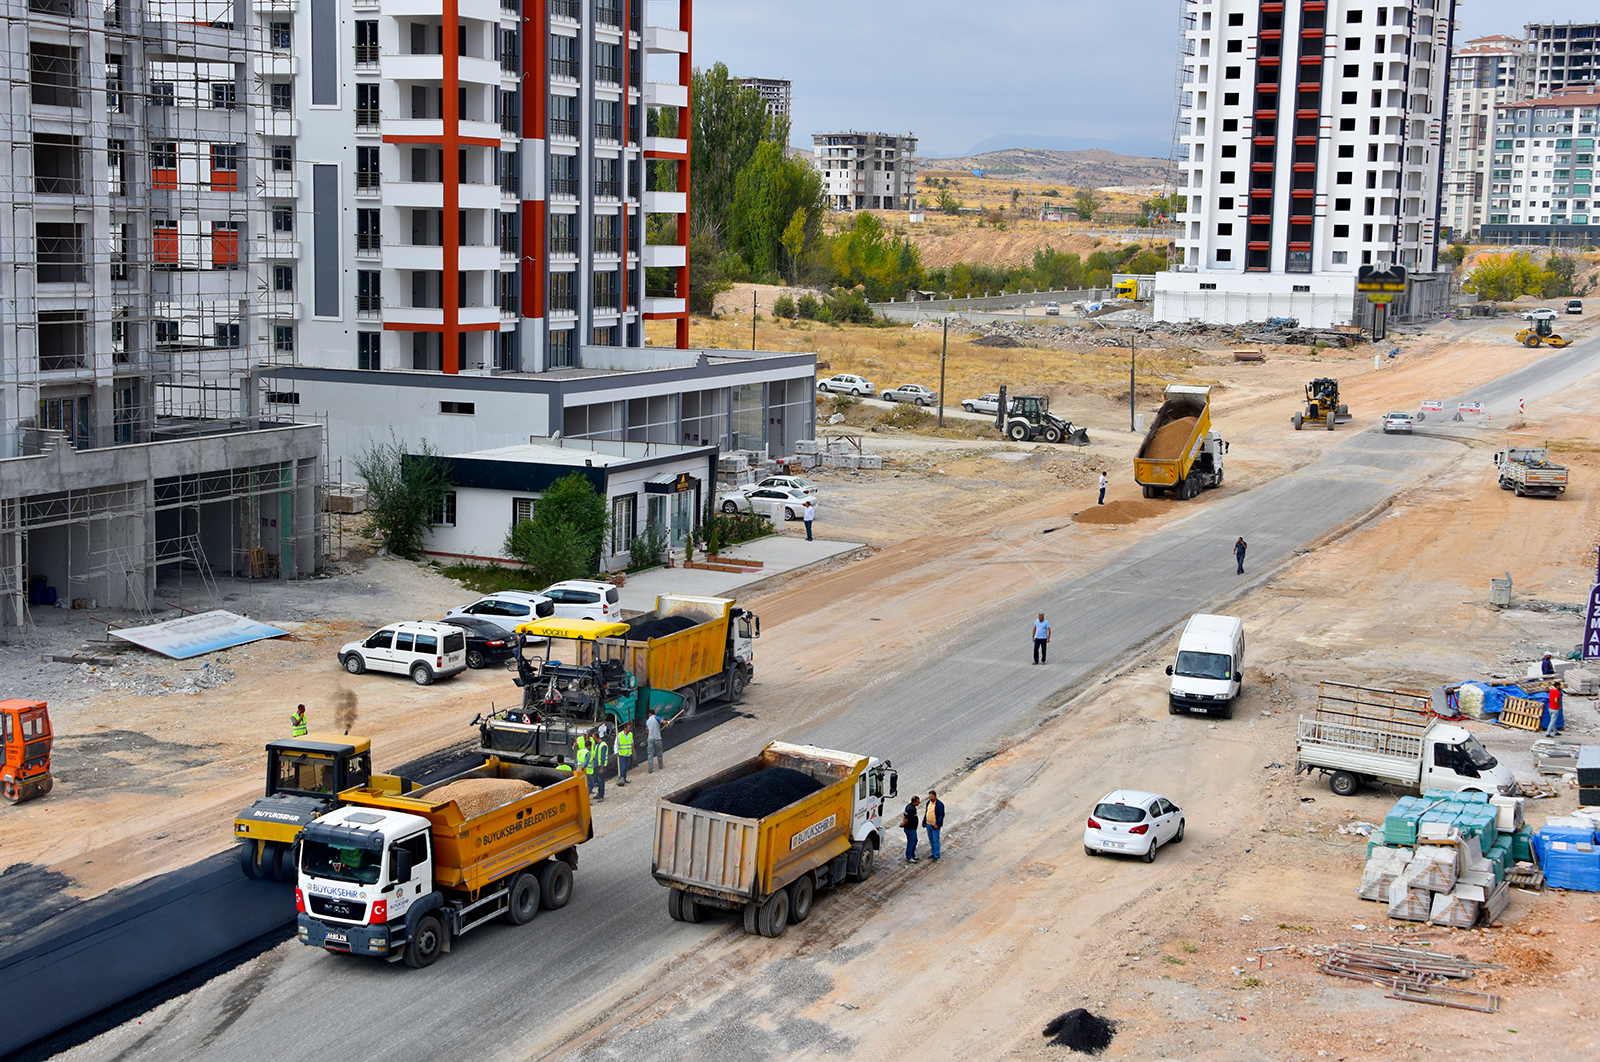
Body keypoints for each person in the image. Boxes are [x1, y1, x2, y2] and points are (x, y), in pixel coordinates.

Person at [924, 790, 945, 862]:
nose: (931, 798)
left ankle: (937, 855)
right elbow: (926, 812)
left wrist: (937, 824)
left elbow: (941, 815)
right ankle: (933, 852)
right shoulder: (928, 803)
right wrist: (924, 821)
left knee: (936, 840)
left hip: (935, 825)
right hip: (928, 824)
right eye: (930, 796)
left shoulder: (939, 804)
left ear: (935, 796)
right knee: (931, 839)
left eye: (932, 796)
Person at [902, 795, 922, 863]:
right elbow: (907, 819)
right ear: (915, 801)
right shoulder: (911, 809)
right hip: (910, 829)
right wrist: (904, 824)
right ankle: (909, 857)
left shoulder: (910, 807)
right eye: (918, 801)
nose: (919, 803)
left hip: (912, 829)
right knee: (911, 842)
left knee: (915, 841)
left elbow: (904, 815)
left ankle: (912, 854)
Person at [590, 728, 609, 801]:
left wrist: (601, 767)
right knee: (598, 780)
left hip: (601, 766)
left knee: (601, 781)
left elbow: (603, 757)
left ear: (595, 738)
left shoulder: (603, 745)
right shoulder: (597, 745)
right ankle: (599, 793)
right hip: (597, 765)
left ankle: (601, 795)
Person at [645, 707, 664, 772]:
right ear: (654, 713)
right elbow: (663, 722)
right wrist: (667, 722)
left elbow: (647, 730)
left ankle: (650, 768)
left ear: (649, 714)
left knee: (650, 754)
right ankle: (660, 765)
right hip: (657, 738)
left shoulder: (647, 721)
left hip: (650, 739)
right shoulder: (657, 718)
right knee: (659, 752)